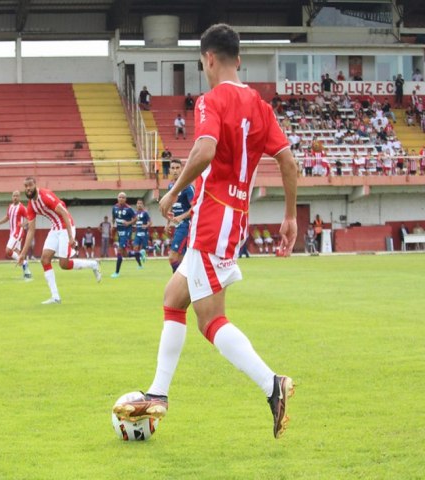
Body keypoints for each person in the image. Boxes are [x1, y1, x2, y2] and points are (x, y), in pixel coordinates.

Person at [113, 23, 298, 439]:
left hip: (216, 219)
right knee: (173, 297)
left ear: (209, 59)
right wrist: (290, 216)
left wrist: (172, 191)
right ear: (239, 59)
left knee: (210, 319)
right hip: (229, 214)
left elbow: (205, 149)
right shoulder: (260, 105)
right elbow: (288, 161)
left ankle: (273, 385)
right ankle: (158, 392)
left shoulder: (211, 101)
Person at [17, 177, 101, 304]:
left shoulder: (45, 196)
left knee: (64, 264)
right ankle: (55, 297)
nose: (28, 188)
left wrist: (71, 237)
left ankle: (93, 264)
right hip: (55, 228)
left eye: (30, 185)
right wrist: (22, 254)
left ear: (35, 185)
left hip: (66, 226)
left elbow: (64, 213)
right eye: (26, 186)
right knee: (44, 259)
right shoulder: (30, 206)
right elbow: (31, 230)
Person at [0, 190, 32, 279]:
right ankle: (27, 273)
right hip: (12, 233)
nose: (15, 197)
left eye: (17, 196)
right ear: (12, 197)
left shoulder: (21, 208)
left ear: (19, 197)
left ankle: (24, 263)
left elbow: (29, 218)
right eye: (14, 196)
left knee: (8, 251)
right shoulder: (10, 207)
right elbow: (7, 217)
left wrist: (23, 224)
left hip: (18, 232)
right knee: (17, 253)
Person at [166, 158, 194, 273]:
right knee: (182, 261)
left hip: (185, 226)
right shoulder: (170, 187)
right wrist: (168, 223)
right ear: (169, 171)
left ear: (182, 169)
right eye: (173, 168)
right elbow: (171, 207)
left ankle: (177, 285)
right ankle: (184, 288)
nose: (175, 171)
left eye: (177, 168)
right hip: (178, 226)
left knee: (172, 257)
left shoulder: (187, 187)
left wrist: (181, 217)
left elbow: (194, 208)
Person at [111, 192, 141, 277]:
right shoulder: (114, 207)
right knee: (125, 254)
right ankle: (138, 254)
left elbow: (136, 218)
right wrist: (113, 225)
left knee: (119, 250)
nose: (121, 199)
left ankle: (116, 273)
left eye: (123, 197)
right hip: (120, 231)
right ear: (117, 198)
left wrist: (129, 223)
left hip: (127, 231)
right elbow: (113, 217)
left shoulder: (129, 209)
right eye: (120, 197)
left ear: (125, 199)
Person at [132, 199, 151, 265]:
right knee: (135, 248)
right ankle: (139, 264)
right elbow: (133, 222)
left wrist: (146, 225)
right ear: (136, 205)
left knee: (146, 250)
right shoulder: (134, 213)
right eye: (138, 203)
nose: (139, 205)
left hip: (144, 234)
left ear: (143, 205)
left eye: (141, 203)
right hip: (137, 234)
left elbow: (150, 222)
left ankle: (154, 247)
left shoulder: (145, 213)